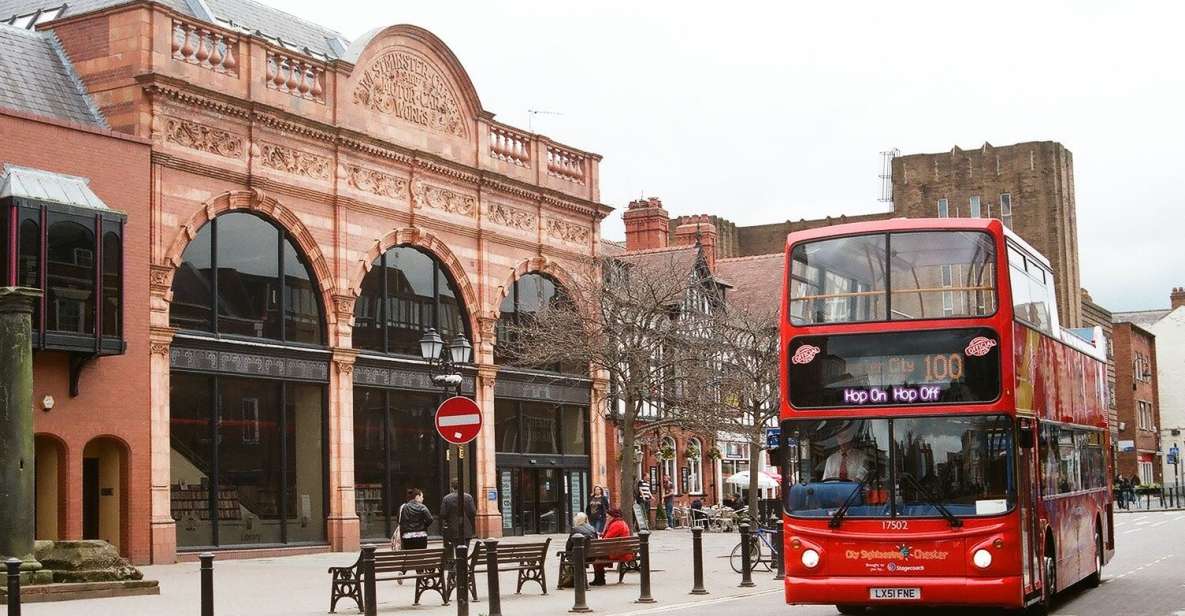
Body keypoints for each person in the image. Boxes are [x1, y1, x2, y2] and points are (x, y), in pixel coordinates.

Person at [592, 508, 635, 586]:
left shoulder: (616, 524)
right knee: (597, 557)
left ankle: (600, 579)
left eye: (607, 516)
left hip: (619, 553)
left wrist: (605, 529)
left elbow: (606, 539)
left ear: (612, 516)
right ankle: (599, 579)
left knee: (595, 557)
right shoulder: (621, 522)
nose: (606, 518)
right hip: (622, 551)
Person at [440, 479, 477, 553]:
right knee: (464, 552)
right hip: (466, 530)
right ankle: (464, 563)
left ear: (452, 487)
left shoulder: (446, 498)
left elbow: (443, 514)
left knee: (454, 551)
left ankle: (457, 563)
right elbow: (473, 512)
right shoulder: (468, 497)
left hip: (452, 530)